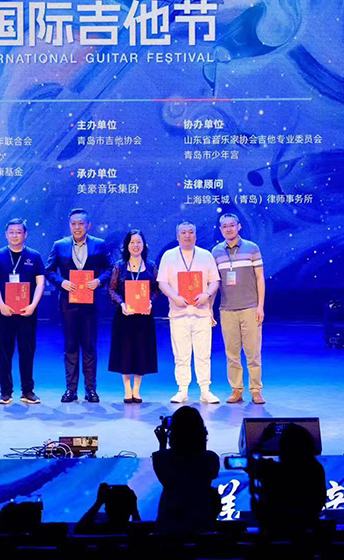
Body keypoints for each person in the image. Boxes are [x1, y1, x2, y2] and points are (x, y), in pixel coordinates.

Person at [44, 208, 112, 403]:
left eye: (81, 223)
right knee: (70, 346)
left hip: (91, 304)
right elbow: (48, 270)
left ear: (88, 225)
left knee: (89, 346)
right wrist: (62, 282)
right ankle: (70, 390)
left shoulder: (99, 244)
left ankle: (91, 389)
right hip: (68, 303)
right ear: (69, 225)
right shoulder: (59, 245)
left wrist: (99, 280)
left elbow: (111, 268)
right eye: (73, 223)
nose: (77, 227)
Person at [157, 221, 221, 404]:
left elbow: (215, 281)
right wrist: (175, 297)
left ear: (196, 235)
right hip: (178, 313)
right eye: (183, 232)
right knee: (181, 354)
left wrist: (206, 295)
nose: (187, 235)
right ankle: (182, 389)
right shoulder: (169, 256)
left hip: (202, 313)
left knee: (203, 354)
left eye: (191, 232)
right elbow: (162, 283)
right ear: (177, 236)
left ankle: (205, 390)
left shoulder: (205, 255)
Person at [0, 218, 46, 405]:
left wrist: (33, 305)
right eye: (11, 232)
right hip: (4, 313)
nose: (15, 235)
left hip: (27, 313)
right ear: (6, 235)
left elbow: (40, 283)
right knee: (4, 353)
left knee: (27, 352)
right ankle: (5, 392)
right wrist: (1, 305)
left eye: (18, 232)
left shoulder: (34, 256)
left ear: (25, 234)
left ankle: (28, 391)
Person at [211, 213, 265, 404]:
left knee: (253, 353)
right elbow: (214, 283)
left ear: (239, 226)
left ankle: (256, 390)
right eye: (224, 226)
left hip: (250, 308)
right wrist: (210, 309)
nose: (228, 229)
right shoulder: (216, 252)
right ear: (220, 229)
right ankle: (236, 390)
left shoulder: (252, 248)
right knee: (232, 354)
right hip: (227, 310)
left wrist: (260, 306)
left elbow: (260, 278)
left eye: (231, 225)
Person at [106, 229, 158, 403]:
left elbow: (156, 289)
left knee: (141, 351)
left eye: (138, 242)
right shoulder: (119, 266)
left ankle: (137, 389)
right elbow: (112, 289)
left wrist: (150, 302)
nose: (135, 246)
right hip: (124, 316)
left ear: (144, 245)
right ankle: (127, 389)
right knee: (125, 352)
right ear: (127, 245)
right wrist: (121, 304)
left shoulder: (150, 266)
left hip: (144, 316)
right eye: (132, 242)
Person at [151, 406, 220, 535]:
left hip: (169, 522)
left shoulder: (160, 458)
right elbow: (211, 472)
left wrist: (162, 444)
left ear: (174, 432)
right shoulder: (211, 458)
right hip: (201, 520)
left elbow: (164, 471)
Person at [250, 423, 325, 536]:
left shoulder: (273, 470)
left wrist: (262, 440)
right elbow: (319, 500)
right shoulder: (316, 468)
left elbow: (251, 462)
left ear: (283, 447)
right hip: (307, 531)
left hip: (275, 529)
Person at [76, 483, 141, 534]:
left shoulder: (99, 530)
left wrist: (98, 502)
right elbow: (140, 529)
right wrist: (134, 509)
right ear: (131, 509)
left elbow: (78, 528)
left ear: (106, 510)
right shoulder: (133, 531)